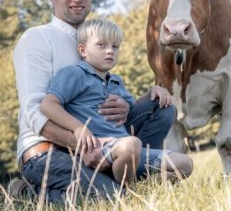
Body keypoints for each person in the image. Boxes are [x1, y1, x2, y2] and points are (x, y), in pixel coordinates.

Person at [10, 0, 192, 203]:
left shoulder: (98, 37)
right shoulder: (37, 39)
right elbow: (36, 114)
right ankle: (28, 194)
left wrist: (128, 108)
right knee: (112, 199)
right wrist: (84, 145)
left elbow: (103, 98)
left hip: (108, 143)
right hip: (50, 151)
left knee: (161, 106)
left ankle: (128, 172)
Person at [40, 18, 174, 185]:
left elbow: (133, 111)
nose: (110, 51)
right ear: (82, 50)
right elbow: (48, 104)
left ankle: (143, 183)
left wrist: (152, 93)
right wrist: (79, 128)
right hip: (102, 148)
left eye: (115, 46)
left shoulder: (116, 81)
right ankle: (129, 191)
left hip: (128, 148)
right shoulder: (74, 74)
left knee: (184, 164)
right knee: (131, 144)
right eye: (101, 45)